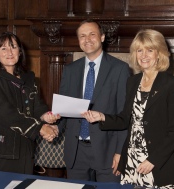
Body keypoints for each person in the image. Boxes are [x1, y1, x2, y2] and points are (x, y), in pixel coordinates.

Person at [82, 29, 174, 188]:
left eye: (150, 50)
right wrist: (102, 117)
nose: (144, 55)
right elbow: (125, 118)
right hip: (132, 159)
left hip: (158, 162)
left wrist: (153, 160)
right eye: (139, 50)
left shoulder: (173, 85)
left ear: (159, 53)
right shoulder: (132, 82)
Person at [56, 19, 131, 182]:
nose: (87, 39)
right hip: (76, 152)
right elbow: (62, 110)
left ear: (102, 37)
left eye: (92, 34)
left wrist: (120, 151)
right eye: (82, 36)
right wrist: (53, 127)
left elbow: (124, 114)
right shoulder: (70, 70)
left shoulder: (120, 69)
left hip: (108, 151)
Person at [0, 31, 60, 174]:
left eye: (13, 47)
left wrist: (47, 117)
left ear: (20, 51)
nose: (9, 52)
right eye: (3, 48)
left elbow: (36, 105)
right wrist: (40, 129)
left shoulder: (28, 78)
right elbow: (3, 112)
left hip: (25, 150)